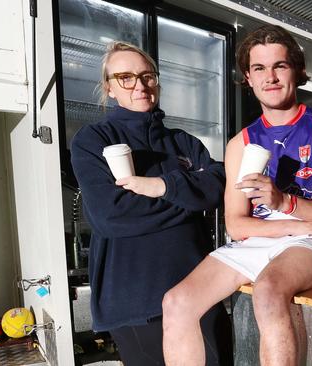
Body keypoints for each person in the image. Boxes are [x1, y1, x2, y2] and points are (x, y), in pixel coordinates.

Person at [162, 25, 312, 365]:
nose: (271, 77)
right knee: (176, 301)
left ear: (297, 70)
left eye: (280, 65)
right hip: (277, 233)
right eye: (259, 68)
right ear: (248, 78)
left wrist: (285, 204)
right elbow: (236, 225)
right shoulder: (240, 144)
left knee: (267, 290)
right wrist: (290, 224)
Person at [70, 41, 231, 366]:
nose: (140, 85)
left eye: (147, 76)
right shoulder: (93, 140)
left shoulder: (184, 142)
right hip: (135, 300)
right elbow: (111, 215)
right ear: (109, 87)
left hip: (198, 290)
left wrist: (158, 187)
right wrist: (187, 198)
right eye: (126, 77)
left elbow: (218, 187)